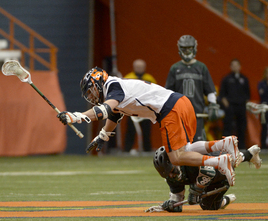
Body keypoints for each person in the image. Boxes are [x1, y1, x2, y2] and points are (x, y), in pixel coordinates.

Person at [57, 67, 242, 186]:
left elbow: (104, 111)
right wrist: (103, 136)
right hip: (180, 103)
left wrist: (77, 117)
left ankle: (219, 161)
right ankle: (224, 145)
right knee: (185, 150)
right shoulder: (115, 89)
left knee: (176, 158)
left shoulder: (113, 86)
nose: (91, 95)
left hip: (170, 109)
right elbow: (113, 116)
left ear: (98, 82)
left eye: (91, 89)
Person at [146, 144, 262, 212]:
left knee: (206, 204)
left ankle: (247, 154)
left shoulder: (190, 160)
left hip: (218, 170)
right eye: (167, 174)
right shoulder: (171, 176)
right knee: (210, 206)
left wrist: (196, 190)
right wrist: (170, 205)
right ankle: (249, 154)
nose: (171, 176)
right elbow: (177, 201)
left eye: (171, 171)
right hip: (205, 170)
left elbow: (209, 171)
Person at [166, 35, 219, 142]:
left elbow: (209, 90)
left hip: (197, 113)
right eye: (184, 49)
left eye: (189, 48)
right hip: (179, 113)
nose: (187, 52)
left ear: (194, 48)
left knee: (198, 144)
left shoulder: (201, 67)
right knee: (180, 145)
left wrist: (213, 104)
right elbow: (168, 92)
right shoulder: (175, 68)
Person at [123, 59, 157, 152]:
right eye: (137, 67)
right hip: (132, 108)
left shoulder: (149, 78)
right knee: (131, 130)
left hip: (145, 108)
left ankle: (147, 150)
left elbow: (155, 92)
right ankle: (127, 150)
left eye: (141, 67)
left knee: (146, 131)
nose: (139, 68)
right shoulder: (128, 77)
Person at [219, 59, 250, 150]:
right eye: (233, 65)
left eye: (237, 65)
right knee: (227, 126)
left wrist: (245, 104)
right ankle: (225, 147)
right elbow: (222, 95)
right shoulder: (226, 79)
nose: (235, 67)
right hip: (230, 106)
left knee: (241, 127)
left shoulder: (244, 79)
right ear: (230, 67)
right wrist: (227, 105)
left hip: (241, 106)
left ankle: (242, 147)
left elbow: (247, 94)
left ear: (240, 67)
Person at [258, 67, 268, 149]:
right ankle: (263, 146)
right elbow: (262, 94)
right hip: (264, 108)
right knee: (264, 127)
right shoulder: (261, 84)